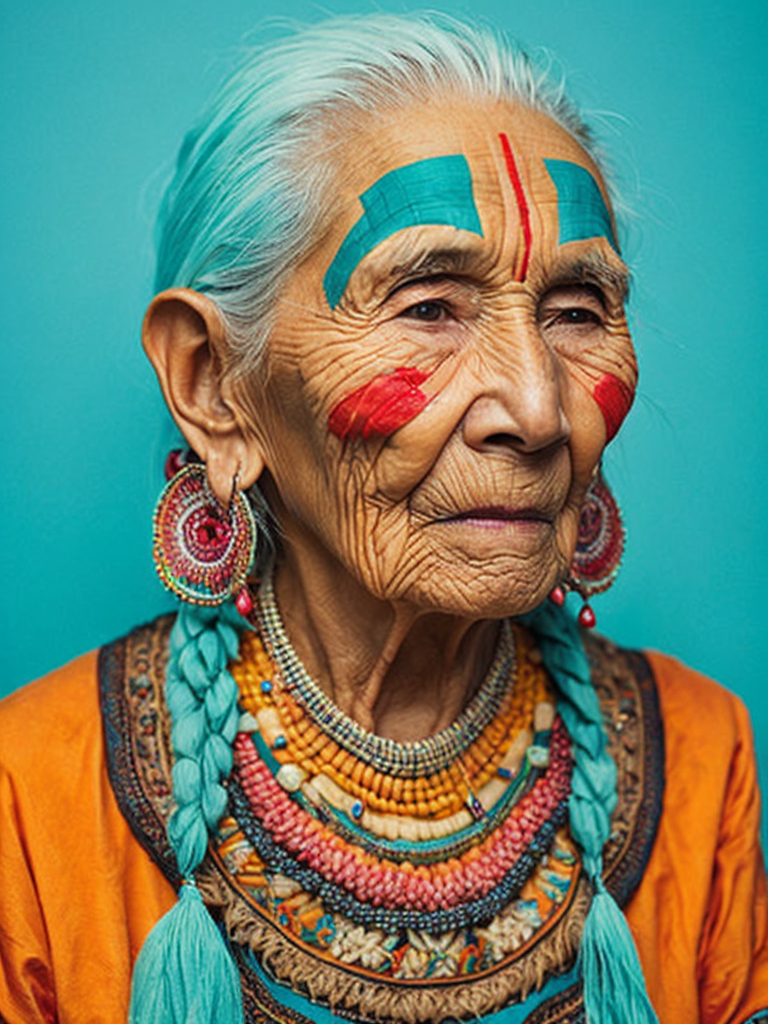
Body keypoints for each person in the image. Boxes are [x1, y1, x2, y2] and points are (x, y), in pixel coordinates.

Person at [0, 12, 766, 1024]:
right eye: (429, 306)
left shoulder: (703, 756)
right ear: (214, 383)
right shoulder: (32, 791)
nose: (538, 412)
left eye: (577, 309)